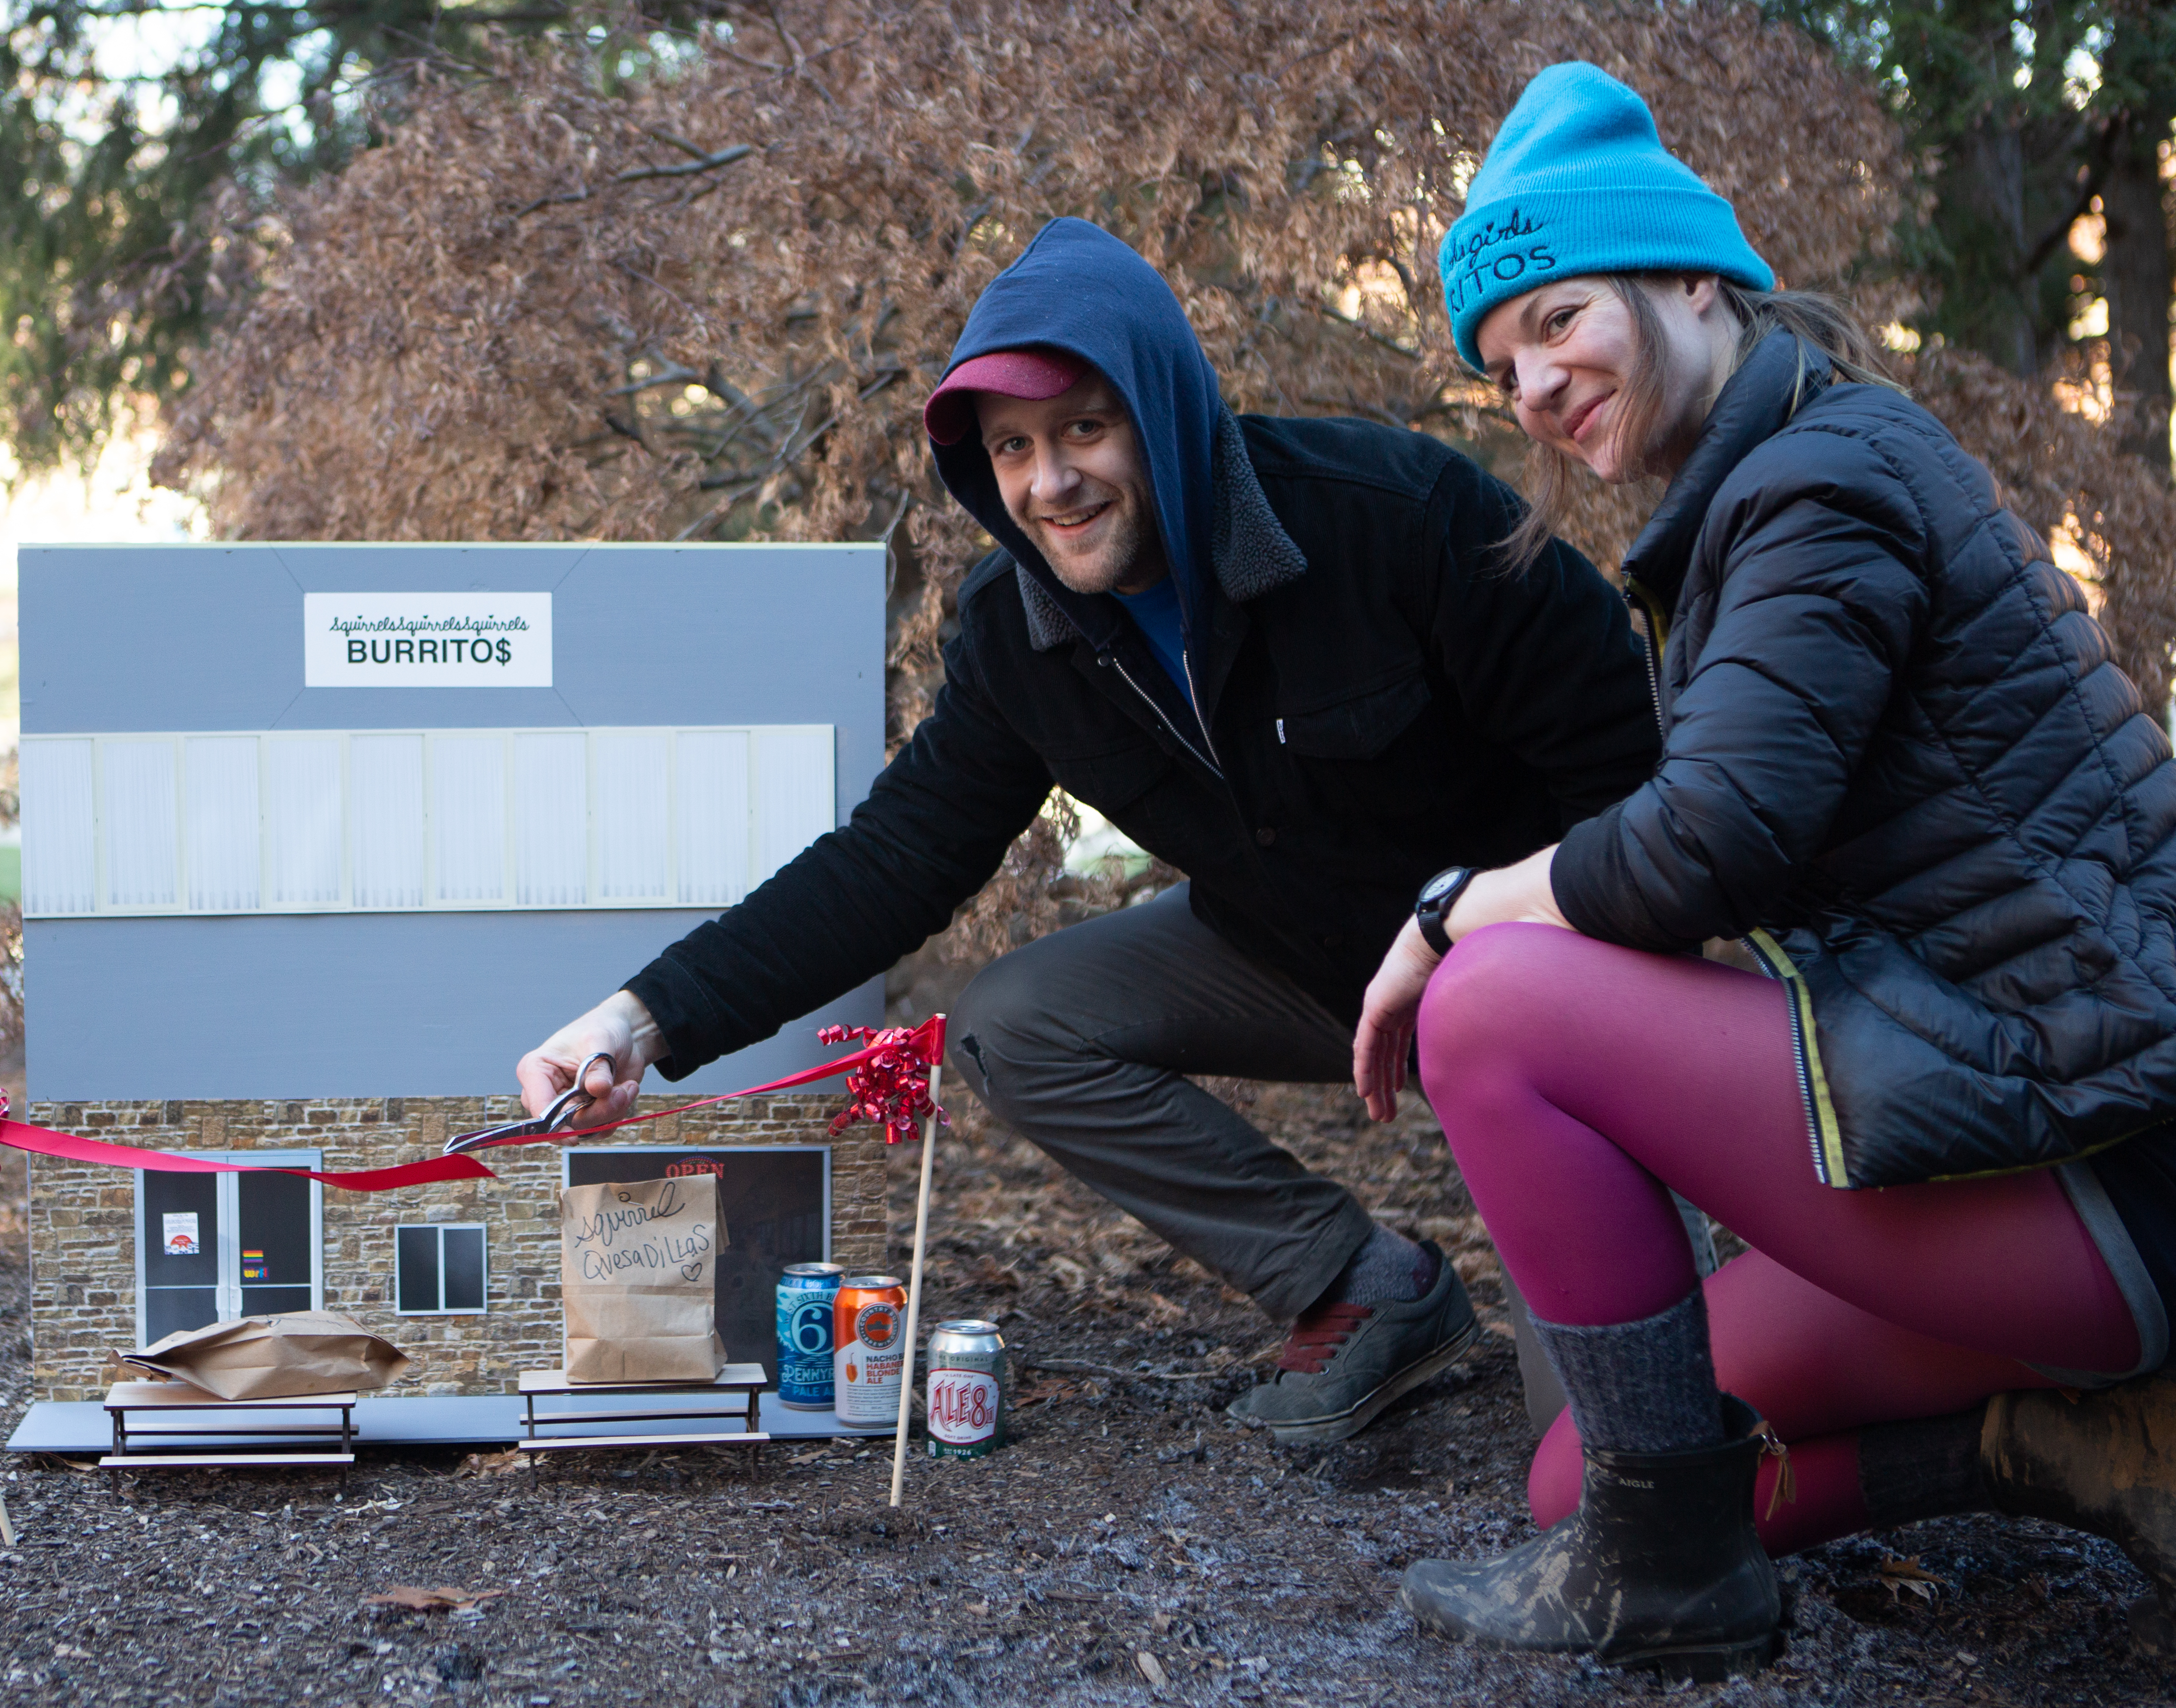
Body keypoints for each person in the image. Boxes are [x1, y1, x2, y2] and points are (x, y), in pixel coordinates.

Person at [516, 216, 1664, 1444]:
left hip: (1519, 979)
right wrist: (636, 1020)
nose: (1047, 483)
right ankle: (1364, 1290)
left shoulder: (1394, 518)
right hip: (1291, 954)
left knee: (1624, 1450)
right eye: (1010, 449)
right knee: (1020, 1023)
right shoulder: (1019, 636)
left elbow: (1630, 770)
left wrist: (1523, 960)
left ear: (1162, 412)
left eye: (1082, 428)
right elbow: (894, 858)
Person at [1359, 61, 2176, 1679]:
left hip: (2100, 1176)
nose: (1529, 383)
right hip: (2005, 1132)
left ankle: (1672, 1585)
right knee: (1575, 1478)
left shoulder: (1823, 478)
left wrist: (1449, 907)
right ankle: (2052, 1446)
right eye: (1499, 365)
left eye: (1555, 318)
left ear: (1686, 280)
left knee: (1490, 1005)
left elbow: (1701, 848)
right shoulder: (1769, 485)